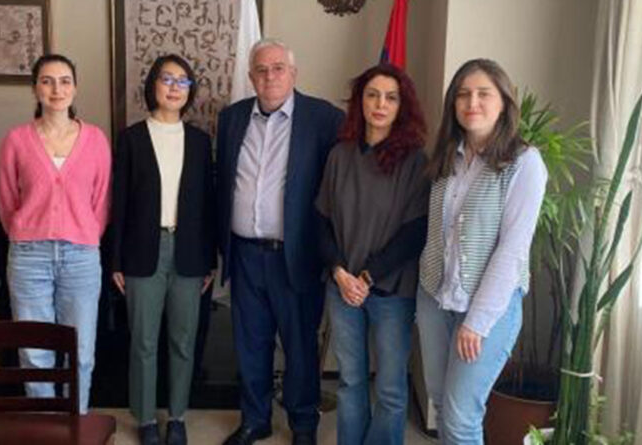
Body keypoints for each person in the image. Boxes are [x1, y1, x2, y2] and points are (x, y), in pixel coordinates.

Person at [215, 38, 344, 445]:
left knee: (300, 346)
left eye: (278, 68)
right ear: (251, 76)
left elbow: (337, 187)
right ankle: (255, 419)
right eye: (261, 70)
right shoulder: (232, 118)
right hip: (244, 254)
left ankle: (303, 425)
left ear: (293, 74)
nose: (269, 76)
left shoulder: (324, 118)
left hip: (295, 255)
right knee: (250, 344)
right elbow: (223, 182)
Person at [416, 58, 548, 444]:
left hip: (488, 308)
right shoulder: (447, 156)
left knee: (461, 418)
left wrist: (477, 321)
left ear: (504, 103)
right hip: (435, 298)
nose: (472, 102)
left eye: (483, 94)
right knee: (442, 404)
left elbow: (512, 249)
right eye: (463, 94)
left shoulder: (524, 163)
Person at [315, 64, 430, 445]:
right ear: (359, 102)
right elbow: (321, 221)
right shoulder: (339, 155)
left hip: (392, 291)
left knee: (391, 388)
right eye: (372, 95)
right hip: (342, 287)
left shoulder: (415, 161)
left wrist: (366, 277)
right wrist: (339, 272)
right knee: (350, 382)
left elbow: (414, 232)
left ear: (402, 106)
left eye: (390, 97)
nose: (380, 104)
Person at [0, 53, 111, 414]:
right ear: (35, 89)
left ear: (75, 88)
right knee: (34, 351)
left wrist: (83, 233)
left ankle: (76, 423)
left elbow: (101, 201)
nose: (56, 89)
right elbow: (7, 201)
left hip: (81, 257)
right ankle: (45, 429)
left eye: (64, 81)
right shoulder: (16, 140)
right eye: (47, 81)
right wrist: (27, 232)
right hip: (29, 257)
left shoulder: (95, 140)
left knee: (81, 351)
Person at [111, 54, 216, 445]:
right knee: (143, 341)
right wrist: (116, 260)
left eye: (182, 81)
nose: (174, 87)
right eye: (166, 79)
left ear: (190, 90)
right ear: (153, 84)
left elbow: (207, 205)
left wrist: (210, 260)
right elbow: (119, 203)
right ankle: (145, 419)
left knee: (183, 341)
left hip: (189, 254)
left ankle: (177, 416)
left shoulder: (201, 142)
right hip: (142, 252)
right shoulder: (131, 138)